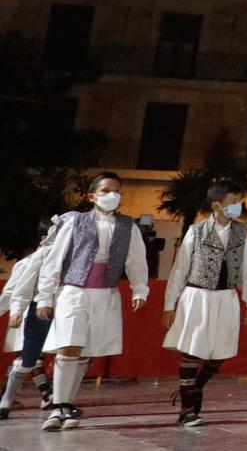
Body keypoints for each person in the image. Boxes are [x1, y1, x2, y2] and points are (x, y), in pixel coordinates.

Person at [34, 172, 148, 432]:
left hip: (105, 293)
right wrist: (45, 296)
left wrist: (139, 290)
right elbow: (54, 260)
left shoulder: (128, 226)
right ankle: (57, 406)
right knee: (68, 345)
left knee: (85, 351)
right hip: (74, 292)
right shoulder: (76, 222)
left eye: (117, 190)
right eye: (106, 190)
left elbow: (136, 261)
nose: (113, 195)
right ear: (92, 196)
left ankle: (67, 404)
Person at [162, 182, 247, 426]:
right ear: (217, 205)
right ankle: (188, 409)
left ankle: (194, 388)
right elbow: (180, 268)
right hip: (198, 296)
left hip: (226, 297)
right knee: (193, 350)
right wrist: (169, 304)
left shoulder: (243, 232)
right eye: (233, 201)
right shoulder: (196, 231)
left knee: (219, 353)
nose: (238, 206)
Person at [0, 217, 61, 419]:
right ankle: (8, 398)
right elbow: (12, 293)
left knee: (67, 354)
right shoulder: (30, 261)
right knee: (29, 358)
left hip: (63, 311)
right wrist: (14, 311)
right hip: (33, 312)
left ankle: (55, 398)